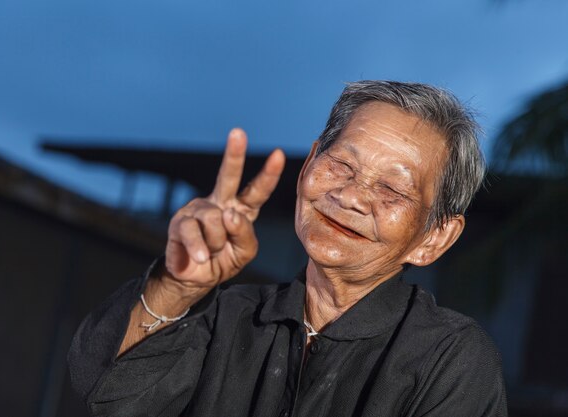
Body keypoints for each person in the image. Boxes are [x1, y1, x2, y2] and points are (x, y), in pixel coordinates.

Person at [68, 81, 507, 417]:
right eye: (341, 164)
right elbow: (104, 391)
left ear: (434, 238)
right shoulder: (228, 317)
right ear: (308, 166)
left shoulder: (451, 359)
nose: (351, 196)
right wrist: (177, 286)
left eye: (393, 188)